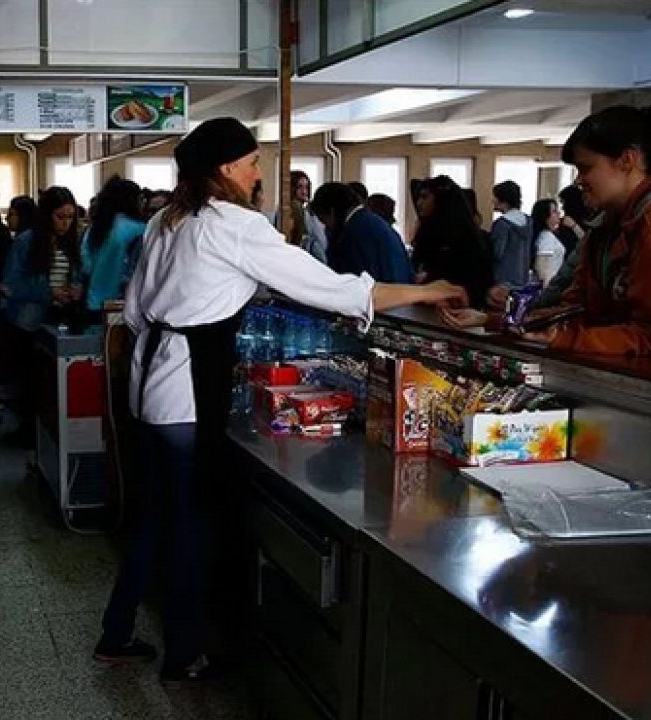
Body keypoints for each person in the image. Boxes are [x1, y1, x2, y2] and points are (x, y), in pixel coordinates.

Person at [94, 117, 465, 684]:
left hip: (152, 385)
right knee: (191, 523)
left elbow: (140, 307)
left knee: (153, 516)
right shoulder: (236, 225)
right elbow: (331, 288)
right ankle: (185, 656)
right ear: (225, 169)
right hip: (187, 391)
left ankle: (116, 634)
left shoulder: (168, 221)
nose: (257, 170)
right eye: (250, 162)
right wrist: (427, 290)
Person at [445, 104, 651, 360]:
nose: (579, 180)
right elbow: (575, 308)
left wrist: (563, 339)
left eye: (586, 168)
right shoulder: (606, 228)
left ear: (627, 160)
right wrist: (495, 320)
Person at [411, 175, 495, 306]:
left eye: (425, 197)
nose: (419, 203)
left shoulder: (467, 238)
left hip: (461, 310)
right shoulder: (428, 233)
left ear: (441, 200)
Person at [310, 182, 413, 283]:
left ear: (332, 212)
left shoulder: (353, 233)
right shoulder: (374, 222)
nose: (325, 227)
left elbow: (353, 284)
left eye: (323, 220)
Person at [81, 176, 147, 314]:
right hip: (123, 304)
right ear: (132, 201)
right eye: (141, 199)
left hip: (94, 302)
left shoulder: (95, 229)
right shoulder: (140, 229)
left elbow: (86, 266)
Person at [273, 170, 328, 263]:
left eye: (306, 187)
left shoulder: (306, 210)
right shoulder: (292, 208)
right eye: (300, 187)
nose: (304, 191)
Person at [490, 180, 534, 287]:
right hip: (523, 279)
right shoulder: (528, 221)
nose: (492, 200)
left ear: (504, 200)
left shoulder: (502, 224)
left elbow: (497, 253)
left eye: (495, 197)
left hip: (503, 281)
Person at [531, 198, 567, 285]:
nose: (559, 213)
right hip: (550, 285)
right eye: (554, 211)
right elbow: (543, 271)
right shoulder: (546, 238)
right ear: (545, 216)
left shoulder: (546, 235)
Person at [555, 184, 590, 256]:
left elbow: (589, 242)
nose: (562, 208)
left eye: (563, 202)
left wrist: (574, 226)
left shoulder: (588, 219)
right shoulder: (565, 219)